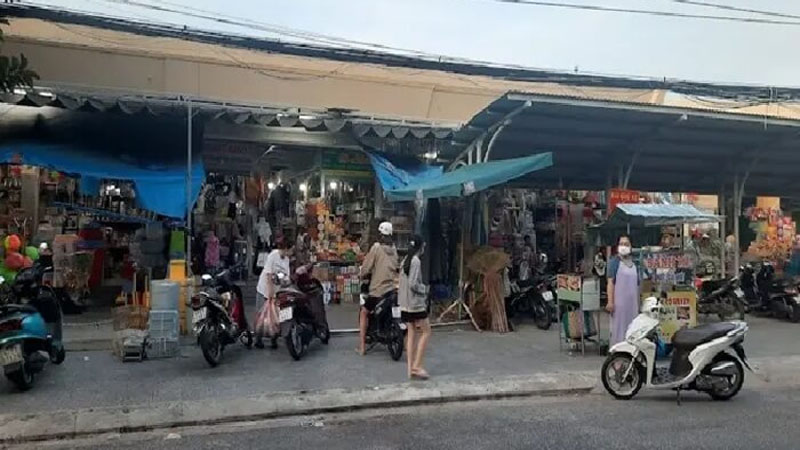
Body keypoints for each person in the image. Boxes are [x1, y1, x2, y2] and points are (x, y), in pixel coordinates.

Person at [358, 221, 399, 355]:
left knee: (364, 312)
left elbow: (366, 267)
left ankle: (362, 347)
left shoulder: (376, 248)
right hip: (392, 289)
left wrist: (361, 274)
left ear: (380, 235)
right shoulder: (394, 249)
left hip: (378, 291)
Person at [399, 235, 431, 379]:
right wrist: (424, 289)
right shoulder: (416, 261)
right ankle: (417, 366)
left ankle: (410, 368)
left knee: (411, 333)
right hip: (415, 304)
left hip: (405, 304)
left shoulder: (405, 259)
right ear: (420, 247)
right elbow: (413, 284)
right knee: (426, 332)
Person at [255, 236, 291, 349]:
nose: (290, 253)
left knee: (275, 316)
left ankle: (273, 338)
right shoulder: (273, 256)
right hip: (264, 289)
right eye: (290, 250)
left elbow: (286, 276)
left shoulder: (286, 260)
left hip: (277, 292)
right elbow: (268, 274)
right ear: (286, 249)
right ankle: (258, 339)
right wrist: (270, 292)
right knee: (261, 314)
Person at [606, 235, 640, 346]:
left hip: (633, 305)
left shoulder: (635, 263)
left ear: (631, 247)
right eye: (621, 244)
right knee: (619, 331)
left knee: (632, 331)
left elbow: (639, 284)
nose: (623, 246)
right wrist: (610, 302)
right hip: (619, 306)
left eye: (626, 244)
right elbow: (610, 283)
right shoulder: (614, 262)